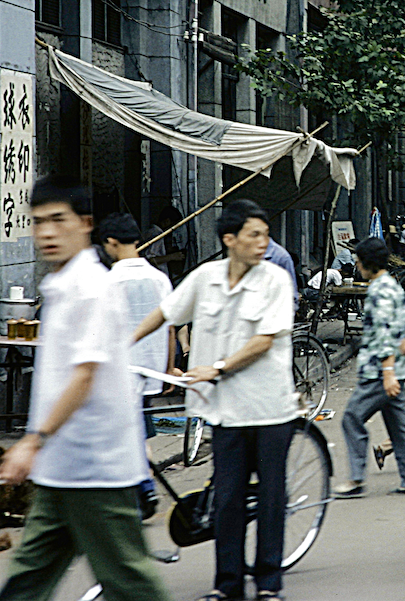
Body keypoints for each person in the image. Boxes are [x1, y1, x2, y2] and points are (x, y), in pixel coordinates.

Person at [0, 177, 172, 601]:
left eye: (59, 220)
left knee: (130, 585)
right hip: (59, 471)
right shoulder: (60, 285)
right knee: (26, 582)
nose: (48, 232)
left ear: (85, 223)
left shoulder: (95, 288)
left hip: (98, 470)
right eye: (39, 222)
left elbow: (84, 376)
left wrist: (33, 440)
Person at [134, 199, 298, 601]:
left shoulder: (275, 280)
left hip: (269, 409)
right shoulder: (205, 277)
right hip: (224, 412)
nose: (263, 243)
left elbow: (263, 341)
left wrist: (217, 368)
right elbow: (166, 312)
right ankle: (227, 586)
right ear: (230, 239)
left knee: (271, 496)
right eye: (254, 235)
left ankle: (268, 585)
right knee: (227, 499)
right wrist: (124, 341)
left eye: (265, 235)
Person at [98, 213, 176, 520]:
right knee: (137, 429)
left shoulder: (109, 281)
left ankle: (143, 487)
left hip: (121, 368)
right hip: (152, 367)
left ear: (111, 242)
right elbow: (170, 327)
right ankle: (143, 487)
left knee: (126, 432)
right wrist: (169, 368)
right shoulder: (159, 278)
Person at [335, 238, 405, 499]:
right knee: (399, 424)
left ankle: (356, 478)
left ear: (366, 263)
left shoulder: (380, 290)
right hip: (396, 367)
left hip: (380, 371)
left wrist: (387, 373)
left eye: (358, 261)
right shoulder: (392, 285)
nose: (357, 266)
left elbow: (385, 334)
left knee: (352, 418)